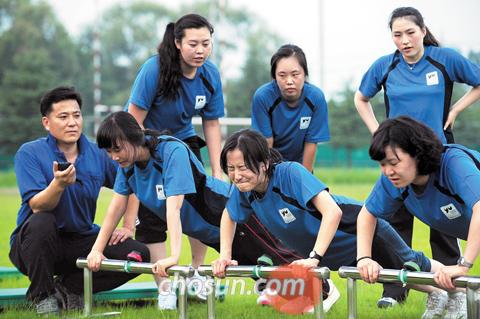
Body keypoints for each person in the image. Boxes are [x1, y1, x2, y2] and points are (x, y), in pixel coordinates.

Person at [87, 112, 320, 310]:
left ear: (134, 137)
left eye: (117, 149)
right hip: (209, 231)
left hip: (230, 212)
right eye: (109, 152)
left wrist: (174, 256)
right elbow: (116, 205)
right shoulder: (127, 166)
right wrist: (97, 250)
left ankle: (323, 292)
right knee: (255, 266)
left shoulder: (170, 150)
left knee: (277, 259)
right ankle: (301, 298)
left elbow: (174, 206)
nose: (114, 157)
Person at [212, 129, 444, 315]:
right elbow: (229, 215)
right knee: (399, 269)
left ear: (263, 163)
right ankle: (448, 294)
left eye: (243, 167)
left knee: (410, 265)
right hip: (332, 250)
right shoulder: (245, 190)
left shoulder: (289, 173)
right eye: (231, 169)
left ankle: (460, 291)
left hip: (358, 231)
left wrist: (314, 258)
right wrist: (224, 256)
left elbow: (332, 212)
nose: (236, 175)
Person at [354, 6, 480, 308]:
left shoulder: (443, 59)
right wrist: (379, 134)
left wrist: (456, 109)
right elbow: (361, 98)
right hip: (399, 156)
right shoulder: (385, 66)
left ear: (423, 31)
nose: (404, 40)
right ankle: (397, 290)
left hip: (436, 154)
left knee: (443, 226)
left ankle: (454, 290)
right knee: (396, 224)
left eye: (410, 32)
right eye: (397, 35)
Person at [9, 87, 149, 315]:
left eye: (76, 115)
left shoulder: (99, 154)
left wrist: (127, 224)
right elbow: (37, 206)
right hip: (35, 246)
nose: (72, 122)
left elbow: (131, 184)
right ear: (47, 122)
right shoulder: (30, 153)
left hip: (82, 240)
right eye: (63, 117)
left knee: (139, 255)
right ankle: (43, 297)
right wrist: (59, 184)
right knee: (42, 221)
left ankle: (68, 288)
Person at [119, 13, 224, 309]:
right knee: (155, 215)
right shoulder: (153, 70)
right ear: (178, 43)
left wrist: (217, 170)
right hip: (147, 142)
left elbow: (212, 123)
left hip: (184, 142)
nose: (200, 50)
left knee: (199, 207)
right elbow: (132, 121)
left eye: (206, 43)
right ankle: (164, 287)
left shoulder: (210, 74)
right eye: (193, 43)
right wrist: (141, 159)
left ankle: (195, 273)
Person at [357, 116, 480, 319]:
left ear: (417, 153)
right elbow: (367, 214)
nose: (388, 171)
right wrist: (364, 258)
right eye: (382, 164)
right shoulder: (393, 180)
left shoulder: (453, 164)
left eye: (394, 162)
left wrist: (463, 266)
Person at [251, 44, 329, 172]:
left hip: (300, 165)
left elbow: (311, 143)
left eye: (295, 74)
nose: (289, 81)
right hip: (269, 162)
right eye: (282, 75)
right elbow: (266, 143)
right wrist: (268, 175)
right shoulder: (263, 97)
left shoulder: (316, 98)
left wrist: (304, 179)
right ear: (274, 76)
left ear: (305, 73)